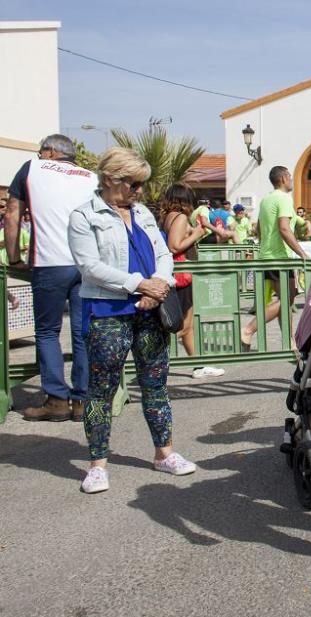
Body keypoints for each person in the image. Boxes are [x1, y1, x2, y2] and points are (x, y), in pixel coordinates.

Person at [67, 147, 197, 493]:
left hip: (150, 310)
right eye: (133, 184)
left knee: (155, 384)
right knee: (101, 389)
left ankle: (164, 452)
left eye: (141, 184)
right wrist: (139, 284)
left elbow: (163, 254)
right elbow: (90, 267)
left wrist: (158, 286)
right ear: (110, 179)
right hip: (107, 312)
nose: (139, 191)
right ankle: (97, 464)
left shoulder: (142, 213)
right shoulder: (84, 216)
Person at [4, 134, 98, 422]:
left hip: (49, 262)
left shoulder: (32, 168)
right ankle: (82, 400)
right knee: (84, 333)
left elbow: (12, 214)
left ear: (49, 151)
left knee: (47, 332)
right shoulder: (91, 177)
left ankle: (56, 400)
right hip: (86, 263)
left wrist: (14, 257)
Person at [159, 184, 225, 378]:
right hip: (181, 275)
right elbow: (174, 246)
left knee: (189, 326)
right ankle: (151, 358)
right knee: (184, 325)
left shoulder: (168, 216)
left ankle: (198, 364)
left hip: (178, 274)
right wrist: (196, 234)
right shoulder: (178, 217)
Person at [240, 166, 309, 349]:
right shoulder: (284, 199)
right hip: (280, 257)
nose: (292, 180)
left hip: (267, 256)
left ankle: (289, 342)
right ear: (284, 178)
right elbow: (284, 228)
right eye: (290, 176)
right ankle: (248, 329)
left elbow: (259, 229)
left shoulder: (266, 200)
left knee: (285, 300)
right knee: (288, 299)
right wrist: (302, 253)